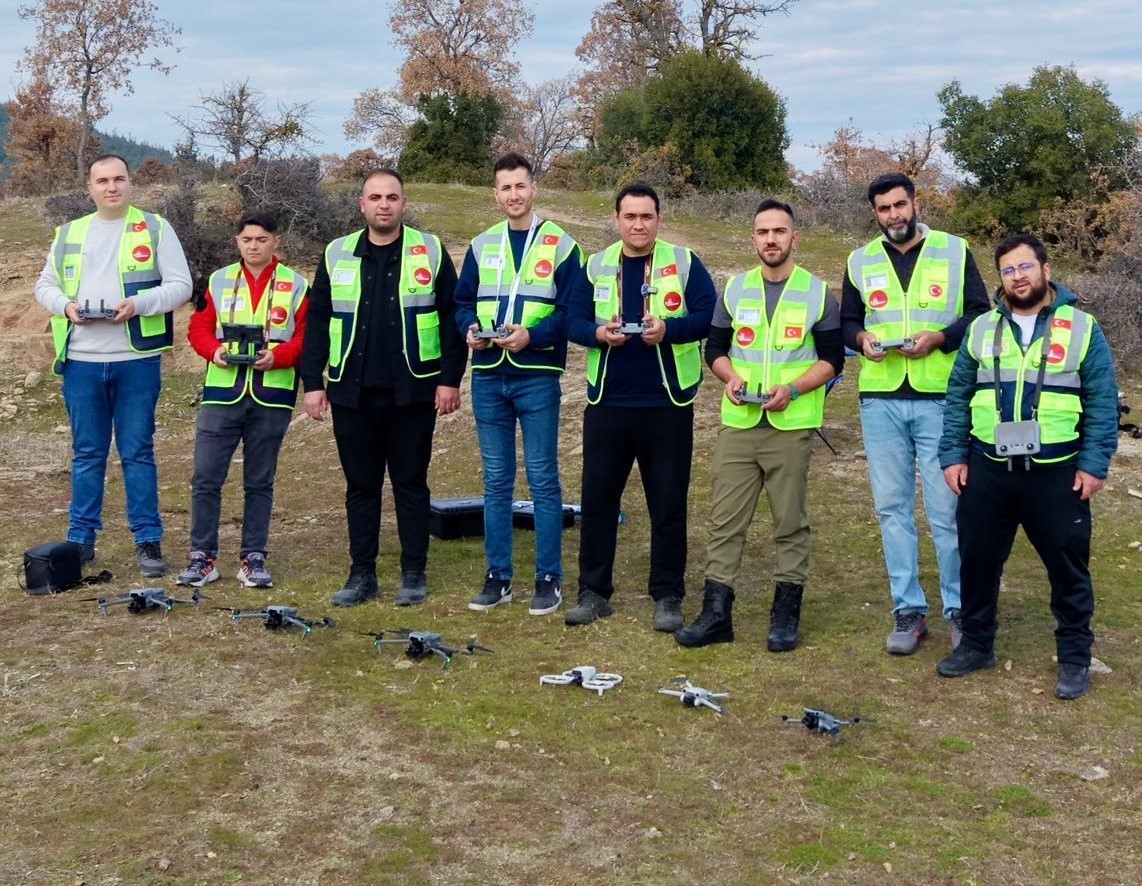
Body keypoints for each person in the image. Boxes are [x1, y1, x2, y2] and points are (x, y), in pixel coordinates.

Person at [936, 234, 1118, 700]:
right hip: (987, 470)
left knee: (1068, 567)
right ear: (1001, 280)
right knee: (976, 561)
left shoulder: (1082, 328)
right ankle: (977, 645)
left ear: (1046, 269)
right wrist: (954, 456)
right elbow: (957, 396)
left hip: (1057, 473)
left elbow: (1101, 402)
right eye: (1009, 271)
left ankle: (1075, 657)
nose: (1018, 277)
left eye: (1026, 267)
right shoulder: (981, 329)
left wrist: (1094, 465)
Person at [676, 199, 844, 651]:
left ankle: (784, 615)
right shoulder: (735, 289)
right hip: (739, 423)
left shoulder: (817, 293)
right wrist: (730, 378)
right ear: (753, 238)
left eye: (779, 231)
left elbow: (832, 359)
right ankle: (716, 615)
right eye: (763, 232)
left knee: (789, 522)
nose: (771, 239)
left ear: (794, 238)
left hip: (790, 425)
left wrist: (795, 389)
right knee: (724, 521)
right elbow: (715, 350)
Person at [300, 169, 465, 607]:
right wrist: (312, 384)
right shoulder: (337, 253)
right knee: (361, 486)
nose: (384, 204)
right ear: (362, 205)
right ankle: (362, 575)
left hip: (413, 391)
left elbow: (452, 317)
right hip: (352, 394)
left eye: (392, 197)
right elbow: (317, 320)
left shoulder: (428, 250)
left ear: (403, 203)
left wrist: (450, 379)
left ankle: (414, 573)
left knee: (411, 483)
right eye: (375, 197)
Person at [841, 172, 989, 654]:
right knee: (892, 510)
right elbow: (848, 322)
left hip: (940, 398)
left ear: (915, 202)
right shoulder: (859, 260)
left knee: (947, 511)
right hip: (880, 398)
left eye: (900, 205)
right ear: (874, 212)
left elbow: (980, 314)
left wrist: (941, 338)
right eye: (883, 209)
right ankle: (908, 610)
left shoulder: (953, 249)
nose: (893, 216)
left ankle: (960, 610)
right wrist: (862, 340)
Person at [565, 182, 715, 630]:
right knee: (597, 500)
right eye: (629, 216)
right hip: (608, 401)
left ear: (659, 219)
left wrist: (670, 329)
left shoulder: (684, 262)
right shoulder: (595, 266)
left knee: (667, 504)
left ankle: (667, 595)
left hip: (667, 402)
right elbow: (570, 319)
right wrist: (596, 333)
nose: (638, 224)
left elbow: (711, 317)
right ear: (616, 220)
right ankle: (593, 592)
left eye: (646, 216)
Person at [34, 153, 192, 577]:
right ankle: (81, 541)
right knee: (87, 454)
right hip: (82, 362)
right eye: (102, 180)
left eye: (119, 179)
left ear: (130, 182)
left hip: (136, 360)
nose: (111, 187)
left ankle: (148, 540)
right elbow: (44, 286)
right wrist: (66, 307)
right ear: (90, 187)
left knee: (137, 451)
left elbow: (181, 285)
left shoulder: (155, 227)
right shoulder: (69, 232)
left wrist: (140, 304)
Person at [454, 153, 582, 615]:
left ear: (535, 189)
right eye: (505, 188)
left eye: (520, 186)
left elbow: (572, 313)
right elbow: (462, 302)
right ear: (496, 194)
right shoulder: (482, 244)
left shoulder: (561, 244)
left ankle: (548, 578)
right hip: (489, 375)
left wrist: (534, 336)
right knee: (496, 480)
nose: (513, 195)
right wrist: (469, 328)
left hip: (537, 376)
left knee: (544, 478)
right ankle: (498, 576)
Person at [178, 212, 309, 589]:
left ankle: (254, 557)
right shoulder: (219, 280)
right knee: (205, 477)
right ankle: (202, 557)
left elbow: (306, 336)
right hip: (222, 393)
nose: (254, 246)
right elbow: (199, 326)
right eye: (247, 239)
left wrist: (279, 357)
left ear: (276, 242)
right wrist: (213, 351)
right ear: (237, 242)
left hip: (272, 394)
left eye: (262, 239)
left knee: (259, 481)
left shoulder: (296, 284)